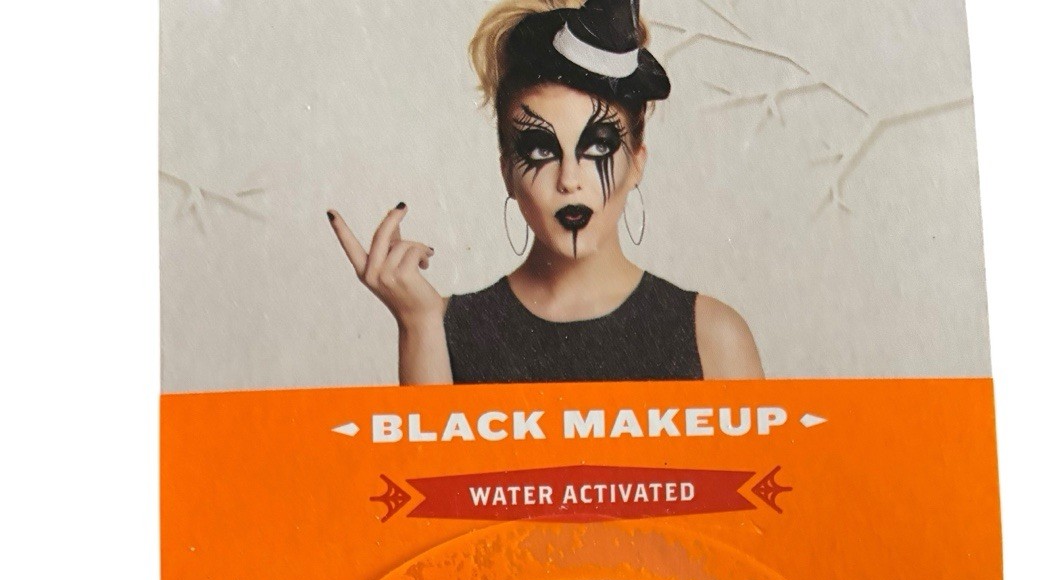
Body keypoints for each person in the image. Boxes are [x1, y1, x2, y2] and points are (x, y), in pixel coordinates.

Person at [327, 0, 764, 385]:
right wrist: (418, 325)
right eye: (540, 150)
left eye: (598, 147)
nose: (569, 179)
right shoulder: (440, 329)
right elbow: (434, 459)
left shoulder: (714, 336)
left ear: (636, 162)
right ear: (506, 172)